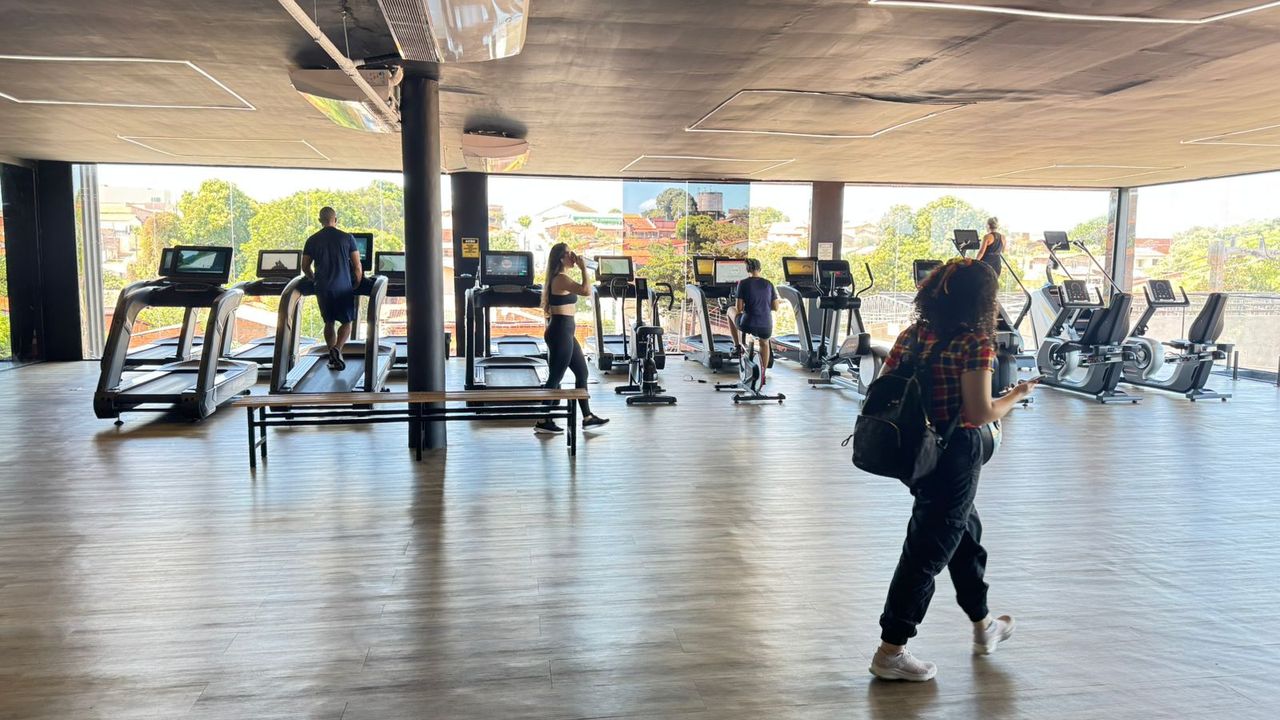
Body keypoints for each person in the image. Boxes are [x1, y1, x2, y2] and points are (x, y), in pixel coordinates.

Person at [869, 258, 1037, 682]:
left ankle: (984, 625)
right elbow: (979, 413)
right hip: (954, 453)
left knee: (964, 535)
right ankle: (891, 650)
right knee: (926, 552)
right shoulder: (975, 343)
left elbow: (884, 386)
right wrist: (1015, 395)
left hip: (915, 450)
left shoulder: (913, 334)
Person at [535, 243, 609, 434]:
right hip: (560, 332)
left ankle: (587, 417)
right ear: (561, 258)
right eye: (569, 254)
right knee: (555, 377)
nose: (572, 256)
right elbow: (585, 291)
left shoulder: (562, 278)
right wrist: (583, 268)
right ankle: (542, 420)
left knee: (582, 373)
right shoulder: (560, 279)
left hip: (565, 332)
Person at [302, 207, 363, 370]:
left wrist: (314, 278)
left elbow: (305, 266)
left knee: (329, 322)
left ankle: (333, 357)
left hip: (323, 287)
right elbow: (357, 265)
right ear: (336, 219)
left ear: (320, 221)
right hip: (343, 286)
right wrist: (356, 283)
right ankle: (337, 348)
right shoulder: (347, 238)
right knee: (347, 322)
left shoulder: (312, 239)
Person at [727, 258, 780, 386]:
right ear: (760, 269)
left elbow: (739, 308)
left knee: (730, 310)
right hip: (766, 325)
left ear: (747, 270)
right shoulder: (769, 284)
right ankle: (763, 374)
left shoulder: (743, 283)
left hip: (747, 324)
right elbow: (775, 307)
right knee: (764, 343)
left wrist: (748, 306)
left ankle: (737, 346)